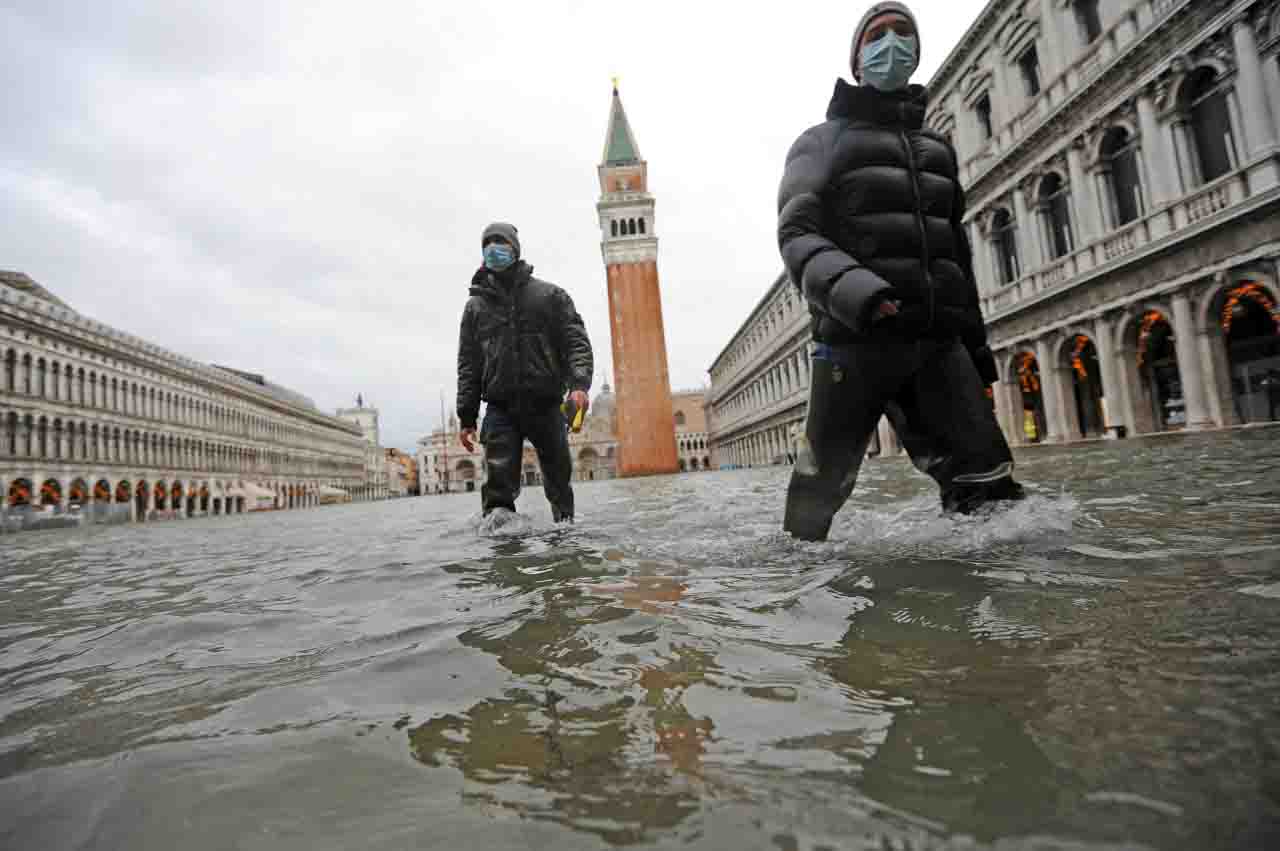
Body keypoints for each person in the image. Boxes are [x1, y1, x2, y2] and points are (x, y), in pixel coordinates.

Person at [776, 1, 1025, 542]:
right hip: (852, 341)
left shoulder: (938, 150)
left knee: (992, 490)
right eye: (878, 34)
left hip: (937, 343)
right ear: (858, 57)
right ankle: (799, 601)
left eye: (903, 33)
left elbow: (957, 255)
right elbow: (797, 233)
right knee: (817, 498)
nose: (892, 43)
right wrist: (863, 296)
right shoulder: (821, 142)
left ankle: (991, 608)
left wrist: (974, 351)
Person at [456, 222, 593, 522]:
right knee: (497, 491)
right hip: (500, 408)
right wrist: (467, 417)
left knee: (559, 482)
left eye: (500, 241)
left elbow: (576, 344)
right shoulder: (475, 308)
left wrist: (579, 385)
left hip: (545, 403)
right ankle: (503, 553)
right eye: (487, 242)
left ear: (515, 248)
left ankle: (567, 540)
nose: (493, 247)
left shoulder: (550, 296)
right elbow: (469, 365)